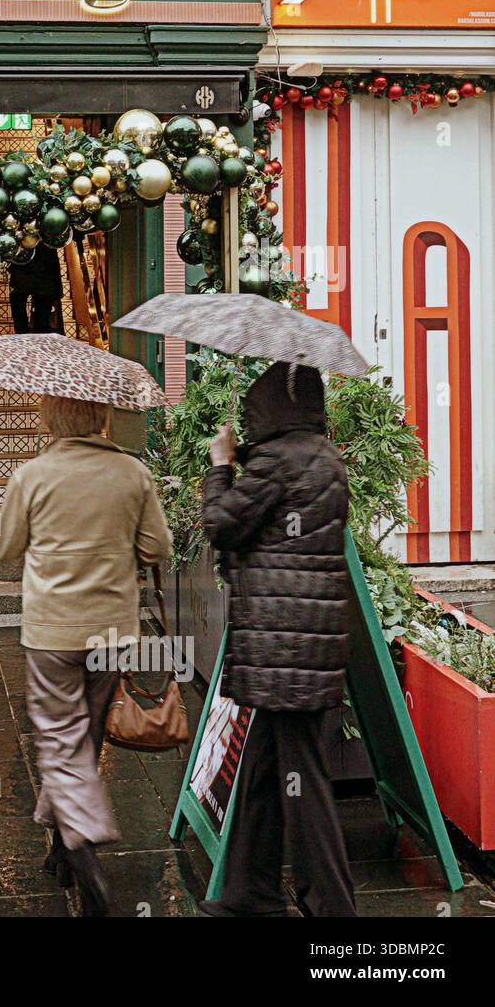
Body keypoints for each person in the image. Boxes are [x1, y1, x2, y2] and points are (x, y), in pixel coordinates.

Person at [0, 395, 172, 916]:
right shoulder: (133, 474)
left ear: (50, 419)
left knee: (59, 739)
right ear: (101, 418)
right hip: (110, 633)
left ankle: (86, 858)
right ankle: (62, 848)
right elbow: (158, 548)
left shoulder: (32, 476)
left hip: (52, 633)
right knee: (84, 738)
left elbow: (5, 548)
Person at [200, 362, 357, 918]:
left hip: (284, 651)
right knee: (266, 769)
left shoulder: (277, 460)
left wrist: (221, 466)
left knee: (303, 785)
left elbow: (223, 522)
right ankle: (249, 891)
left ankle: (333, 912)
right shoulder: (321, 455)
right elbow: (279, 506)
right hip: (304, 647)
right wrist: (246, 457)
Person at [8, 247, 63, 334]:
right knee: (20, 302)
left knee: (20, 302)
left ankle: (25, 336)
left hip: (36, 264)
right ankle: (29, 337)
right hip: (39, 265)